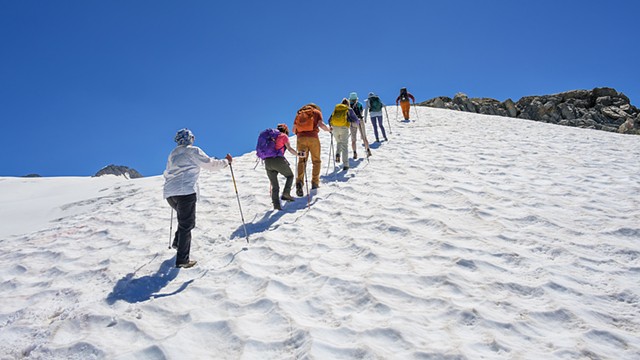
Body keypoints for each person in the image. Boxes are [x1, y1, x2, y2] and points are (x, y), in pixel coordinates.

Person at [163, 128, 233, 269]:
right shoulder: (192, 151)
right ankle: (182, 260)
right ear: (190, 139)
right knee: (187, 224)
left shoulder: (173, 154)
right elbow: (211, 165)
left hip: (170, 193)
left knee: (184, 221)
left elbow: (167, 172)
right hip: (185, 192)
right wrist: (226, 162)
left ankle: (178, 243)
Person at [292, 103, 331, 196]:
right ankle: (314, 183)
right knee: (316, 161)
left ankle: (299, 182)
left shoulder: (299, 113)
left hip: (301, 139)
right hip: (313, 138)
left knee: (302, 161)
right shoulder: (316, 112)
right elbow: (321, 124)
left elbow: (294, 130)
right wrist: (329, 130)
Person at [264, 124, 299, 210]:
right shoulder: (284, 136)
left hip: (267, 162)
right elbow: (289, 149)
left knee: (275, 186)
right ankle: (286, 194)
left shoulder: (270, 137)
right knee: (290, 176)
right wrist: (298, 154)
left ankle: (276, 206)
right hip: (278, 160)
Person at [329, 98, 360, 171]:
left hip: (335, 128)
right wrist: (358, 124)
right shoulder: (349, 109)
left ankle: (337, 153)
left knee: (339, 142)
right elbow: (355, 119)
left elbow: (329, 119)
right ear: (348, 104)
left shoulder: (336, 109)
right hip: (344, 127)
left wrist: (331, 127)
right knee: (344, 145)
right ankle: (346, 165)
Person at [348, 92, 371, 159]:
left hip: (352, 123)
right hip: (360, 121)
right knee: (364, 137)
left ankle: (354, 152)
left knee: (353, 140)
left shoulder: (348, 106)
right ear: (356, 98)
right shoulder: (360, 104)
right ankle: (368, 150)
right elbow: (361, 112)